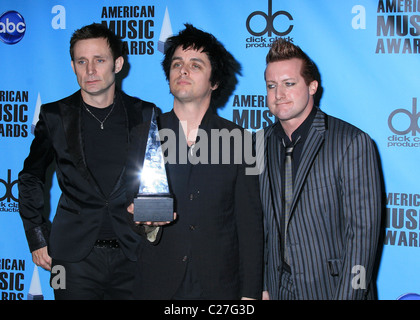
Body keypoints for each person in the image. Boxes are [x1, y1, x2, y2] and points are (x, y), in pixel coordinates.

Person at [18, 23, 156, 299]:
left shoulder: (145, 113)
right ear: (72, 66)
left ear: (117, 64)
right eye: (82, 61)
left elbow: (157, 177)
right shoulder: (54, 116)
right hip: (71, 259)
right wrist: (37, 236)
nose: (90, 70)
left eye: (99, 60)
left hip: (134, 253)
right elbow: (30, 176)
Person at [128, 24, 263, 300]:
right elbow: (124, 209)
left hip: (220, 286)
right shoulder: (143, 135)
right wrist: (142, 223)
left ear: (215, 82)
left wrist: (250, 293)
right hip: (156, 284)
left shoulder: (240, 140)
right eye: (177, 64)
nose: (183, 70)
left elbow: (250, 224)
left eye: (196, 65)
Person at [257, 39, 382, 300]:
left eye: (289, 84)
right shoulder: (258, 144)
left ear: (312, 86)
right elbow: (259, 226)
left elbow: (363, 238)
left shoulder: (350, 142)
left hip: (333, 290)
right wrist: (261, 284)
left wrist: (350, 295)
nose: (279, 94)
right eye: (272, 86)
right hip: (277, 290)